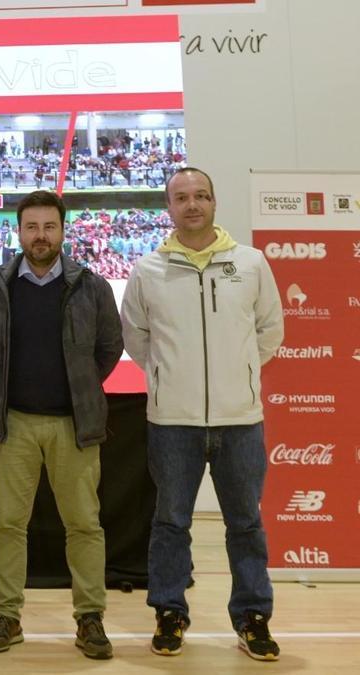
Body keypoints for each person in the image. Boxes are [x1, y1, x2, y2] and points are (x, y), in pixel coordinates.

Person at [120, 167, 284, 661]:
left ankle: (252, 618)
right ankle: (170, 613)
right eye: (182, 198)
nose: (192, 205)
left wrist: (239, 376)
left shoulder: (251, 263)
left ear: (214, 202)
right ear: (168, 207)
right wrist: (174, 378)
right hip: (173, 423)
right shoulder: (148, 270)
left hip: (241, 420)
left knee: (245, 524)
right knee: (170, 522)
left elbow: (269, 332)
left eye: (201, 196)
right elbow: (137, 340)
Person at [0, 190, 123, 660]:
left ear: (62, 230)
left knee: (84, 526)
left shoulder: (92, 287)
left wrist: (77, 387)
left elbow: (109, 349)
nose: (40, 235)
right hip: (12, 425)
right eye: (31, 227)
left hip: (74, 428)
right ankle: (7, 616)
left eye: (48, 227)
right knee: (8, 525)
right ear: (19, 232)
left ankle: (90, 618)